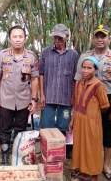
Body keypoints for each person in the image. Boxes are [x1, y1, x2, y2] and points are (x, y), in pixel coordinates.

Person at [75, 25, 111, 180]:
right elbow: (78, 81)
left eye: (103, 36)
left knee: (109, 134)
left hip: (109, 99)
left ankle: (106, 165)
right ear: (93, 38)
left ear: (109, 39)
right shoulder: (85, 56)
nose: (100, 39)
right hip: (88, 101)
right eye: (97, 36)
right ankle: (86, 165)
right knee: (88, 134)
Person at [0, 25, 39, 165]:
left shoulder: (31, 56)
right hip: (5, 100)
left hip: (24, 100)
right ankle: (5, 156)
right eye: (15, 36)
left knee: (21, 129)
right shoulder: (2, 55)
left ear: (25, 39)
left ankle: (18, 154)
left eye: (20, 36)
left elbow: (35, 78)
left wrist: (34, 99)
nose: (18, 39)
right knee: (4, 129)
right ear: (10, 39)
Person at [39, 23, 78, 159]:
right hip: (49, 96)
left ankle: (61, 150)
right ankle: (46, 149)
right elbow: (41, 74)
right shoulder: (45, 52)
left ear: (67, 38)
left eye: (60, 38)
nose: (57, 41)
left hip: (66, 98)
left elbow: (75, 78)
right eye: (55, 37)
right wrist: (41, 94)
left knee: (64, 124)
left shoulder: (73, 55)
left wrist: (74, 96)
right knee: (46, 123)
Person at [70, 56, 109, 181]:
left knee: (92, 147)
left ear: (95, 70)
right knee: (80, 145)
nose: (85, 70)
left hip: (92, 122)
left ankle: (93, 174)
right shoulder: (78, 83)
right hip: (79, 120)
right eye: (84, 67)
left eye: (89, 68)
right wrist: (72, 120)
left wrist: (93, 116)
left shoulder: (98, 85)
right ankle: (82, 170)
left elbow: (104, 105)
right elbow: (76, 103)